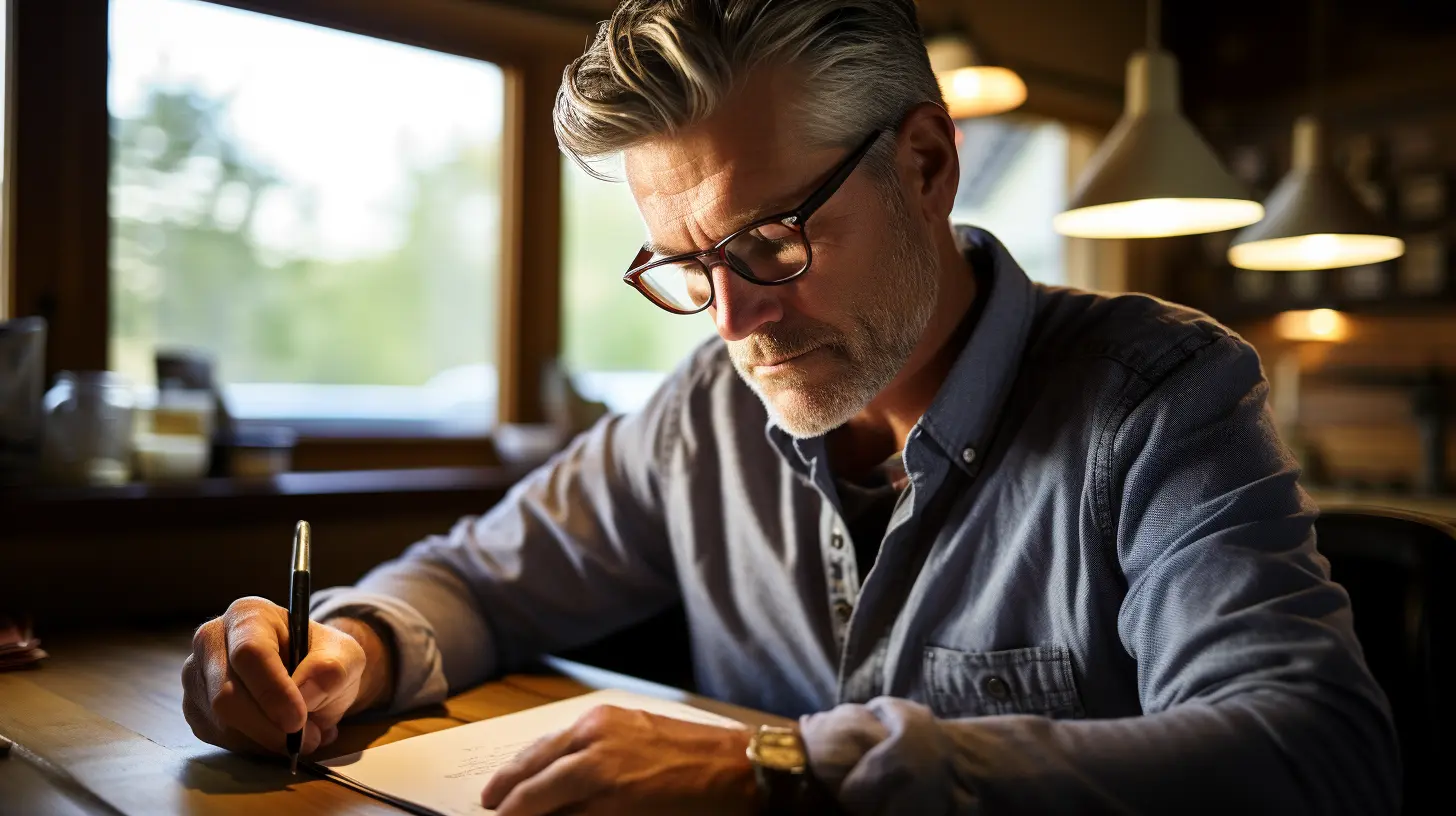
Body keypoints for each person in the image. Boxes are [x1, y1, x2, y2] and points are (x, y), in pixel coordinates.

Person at [181, 1, 1399, 813]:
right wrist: (345, 646)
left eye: (770, 241)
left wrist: (780, 767)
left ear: (926, 163)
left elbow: (1315, 750)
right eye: (684, 265)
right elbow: (479, 579)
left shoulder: (1160, 396)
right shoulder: (701, 414)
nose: (731, 323)